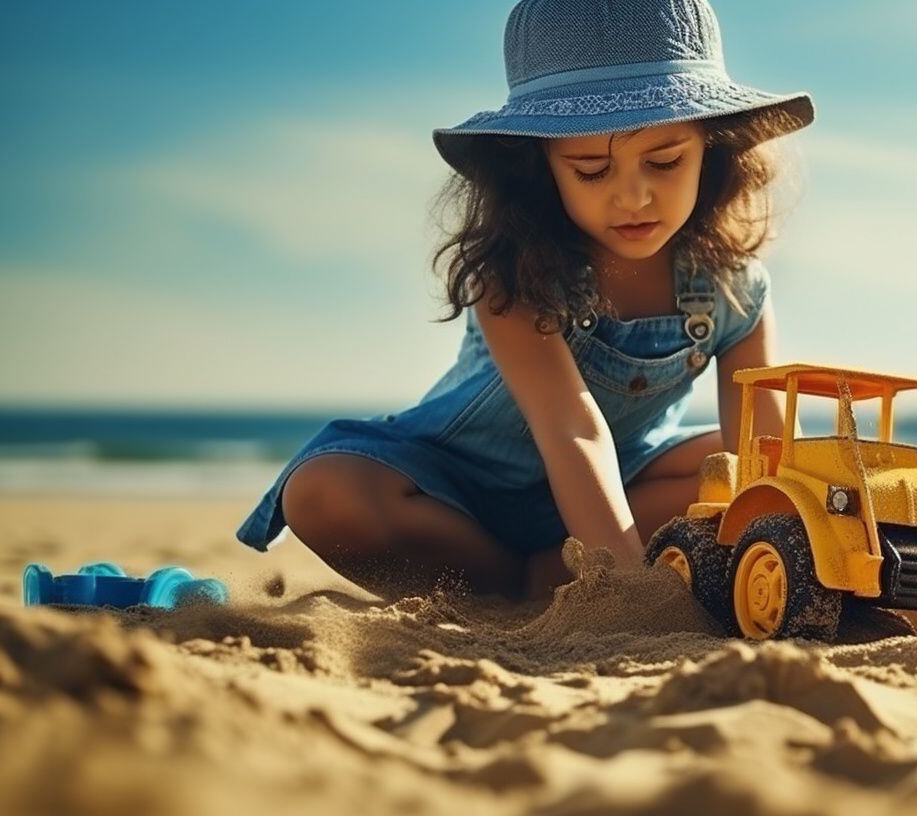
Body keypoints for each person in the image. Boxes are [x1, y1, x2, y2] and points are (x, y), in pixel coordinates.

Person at [234, 0, 814, 603]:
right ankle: (514, 583)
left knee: (746, 470)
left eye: (665, 161)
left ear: (712, 149)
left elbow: (766, 451)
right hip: (456, 493)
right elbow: (571, 428)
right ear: (541, 168)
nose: (634, 196)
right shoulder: (516, 277)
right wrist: (624, 591)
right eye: (591, 170)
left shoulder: (734, 289)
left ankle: (546, 573)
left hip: (619, 487)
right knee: (325, 491)